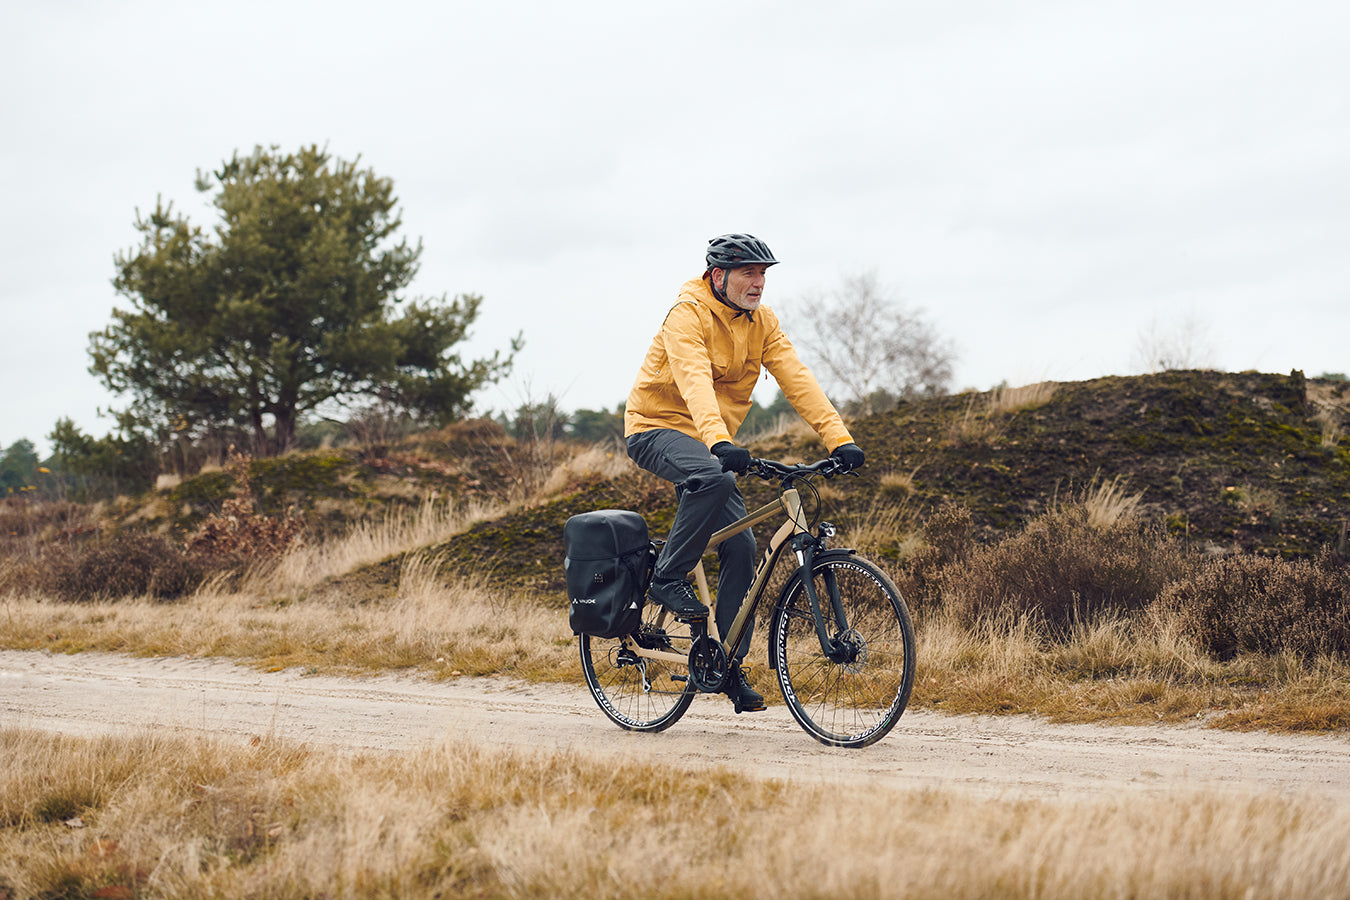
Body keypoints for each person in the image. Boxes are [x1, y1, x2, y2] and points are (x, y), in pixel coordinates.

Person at [624, 233, 866, 713]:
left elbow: (797, 378)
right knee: (716, 479)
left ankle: (725, 664)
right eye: (748, 274)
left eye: (763, 274)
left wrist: (840, 439)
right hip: (657, 427)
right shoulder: (687, 315)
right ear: (719, 277)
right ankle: (667, 578)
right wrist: (717, 441)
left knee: (742, 544)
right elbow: (693, 379)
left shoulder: (763, 323)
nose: (758, 283)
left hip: (710, 440)